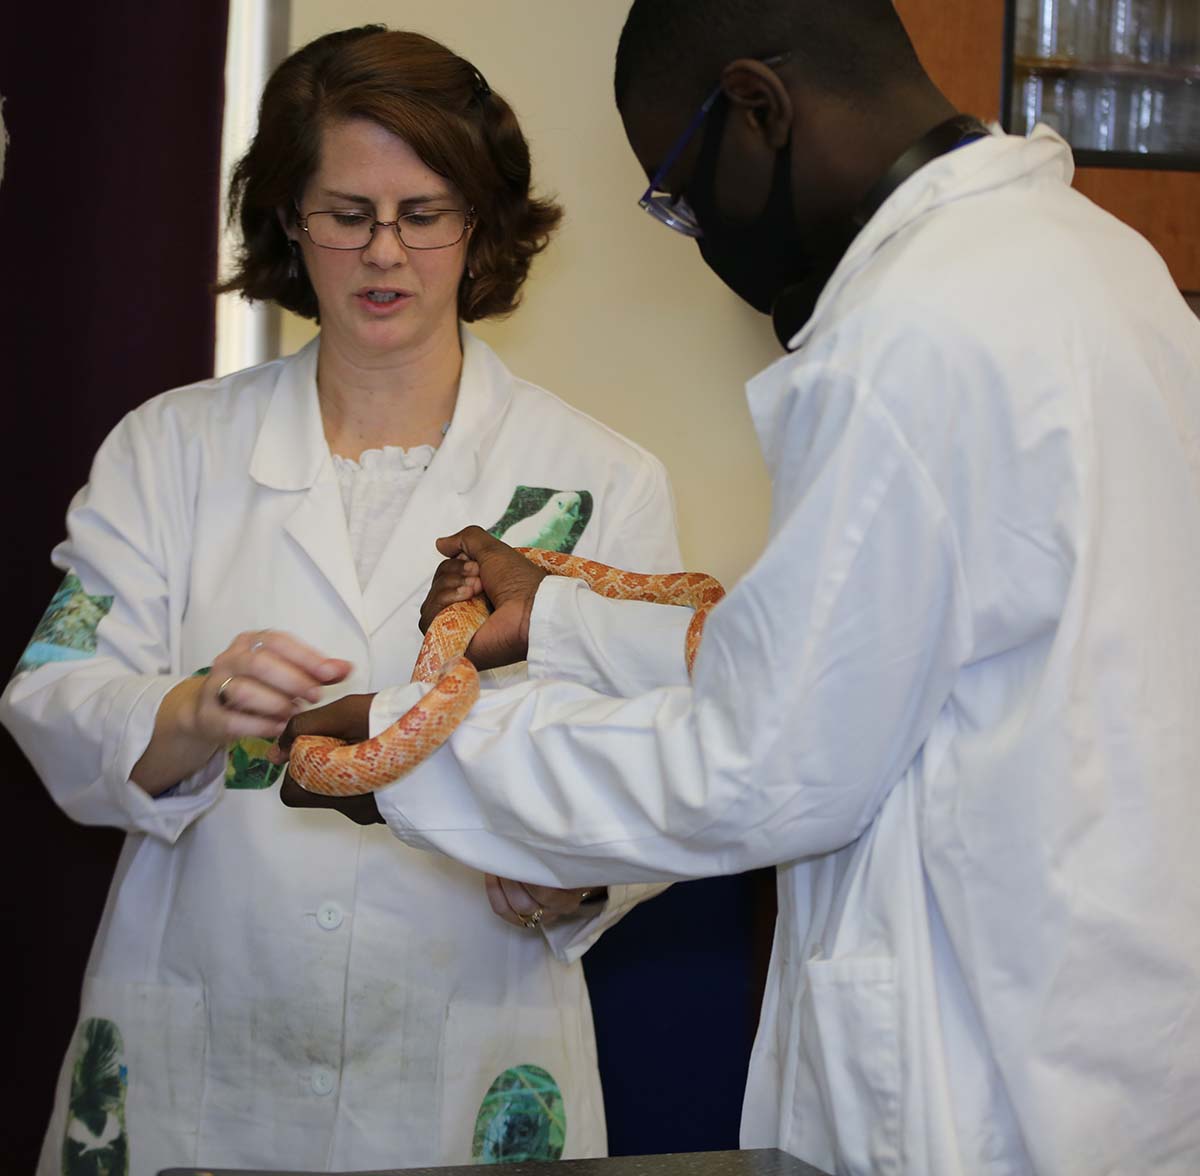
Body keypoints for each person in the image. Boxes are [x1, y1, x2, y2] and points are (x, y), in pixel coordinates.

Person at [279, 2, 1200, 1173]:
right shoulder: (1097, 263)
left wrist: (411, 755)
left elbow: (767, 765)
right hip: (1110, 1047)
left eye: (681, 192)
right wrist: (559, 618)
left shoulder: (912, 340)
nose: (700, 235)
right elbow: (871, 655)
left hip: (985, 1090)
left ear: (756, 109)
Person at [0, 25, 684, 1176]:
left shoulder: (600, 483)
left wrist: (574, 875)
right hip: (202, 1046)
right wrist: (193, 708)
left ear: (481, 227)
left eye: (424, 211)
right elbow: (51, 692)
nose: (385, 252)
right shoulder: (170, 450)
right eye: (345, 211)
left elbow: (666, 750)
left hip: (465, 1043)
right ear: (285, 218)